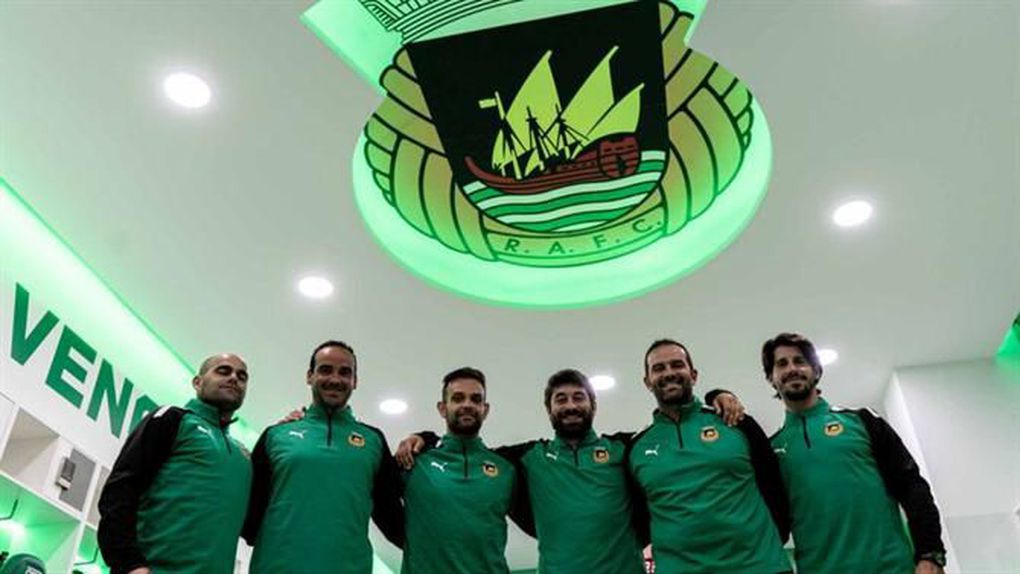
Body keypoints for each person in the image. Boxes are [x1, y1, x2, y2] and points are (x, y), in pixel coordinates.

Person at [396, 369, 747, 574]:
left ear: (593, 404)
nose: (570, 405)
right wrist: (425, 437)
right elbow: (469, 450)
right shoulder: (527, 458)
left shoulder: (624, 448)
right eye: (560, 399)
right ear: (549, 409)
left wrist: (717, 396)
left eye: (578, 397)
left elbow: (670, 430)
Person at [762, 332, 946, 574]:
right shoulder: (770, 451)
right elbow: (770, 527)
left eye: (800, 361)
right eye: (782, 364)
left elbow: (912, 486)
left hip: (892, 568)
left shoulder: (863, 421)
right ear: (771, 377)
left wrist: (930, 553)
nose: (792, 369)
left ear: (816, 371)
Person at [628, 339, 790, 573]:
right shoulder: (636, 447)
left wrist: (774, 542)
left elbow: (774, 484)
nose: (669, 373)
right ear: (647, 382)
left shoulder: (736, 422)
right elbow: (637, 517)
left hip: (758, 565)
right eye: (659, 368)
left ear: (693, 375)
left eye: (677, 365)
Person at [242, 340, 404, 573]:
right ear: (310, 376)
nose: (335, 379)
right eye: (326, 370)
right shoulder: (276, 435)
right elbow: (249, 510)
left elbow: (392, 517)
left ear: (355, 381)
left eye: (345, 372)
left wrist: (424, 439)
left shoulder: (374, 441)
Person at [98, 353, 252, 574]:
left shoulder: (243, 456)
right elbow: (121, 489)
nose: (234, 378)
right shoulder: (172, 418)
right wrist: (129, 563)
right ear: (197, 382)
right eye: (223, 371)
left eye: (242, 376)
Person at [400, 367, 520, 574]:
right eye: (458, 398)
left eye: (475, 399)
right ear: (442, 408)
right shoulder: (414, 461)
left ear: (485, 409)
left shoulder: (506, 469)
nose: (467, 404)